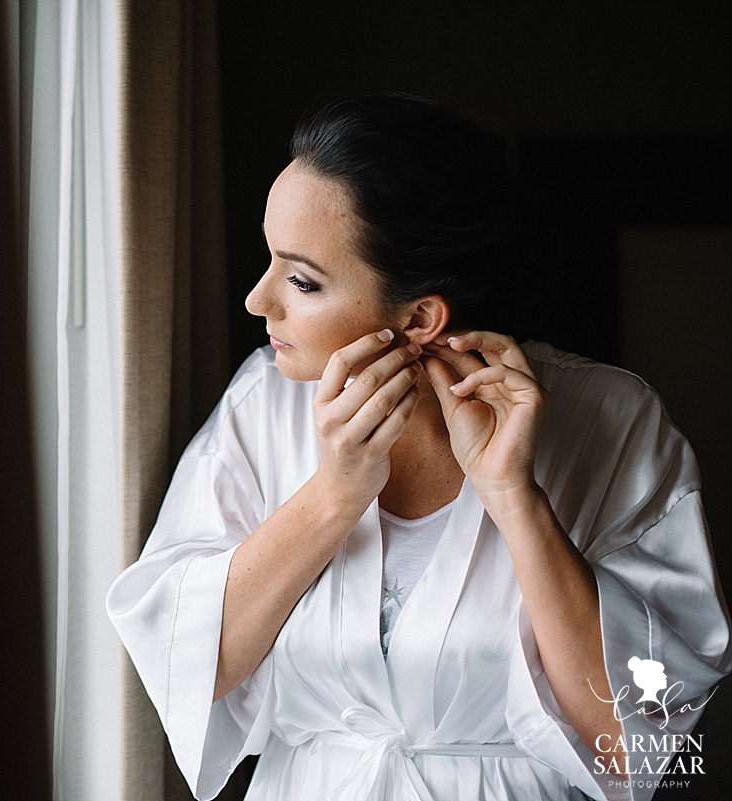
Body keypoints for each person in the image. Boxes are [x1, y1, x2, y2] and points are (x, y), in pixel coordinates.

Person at [106, 95, 732, 801]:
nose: (257, 299)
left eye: (302, 279)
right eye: (268, 260)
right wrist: (332, 495)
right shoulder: (262, 409)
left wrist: (514, 499)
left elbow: (634, 739)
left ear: (420, 317)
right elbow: (191, 662)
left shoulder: (612, 422)